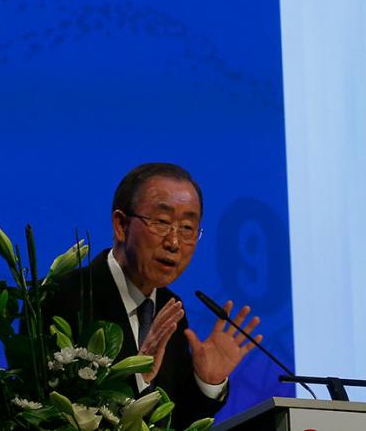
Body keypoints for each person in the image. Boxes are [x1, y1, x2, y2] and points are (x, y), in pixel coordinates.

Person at [46, 163, 263, 429]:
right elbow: (54, 409)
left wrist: (207, 382)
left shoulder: (171, 311)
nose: (174, 242)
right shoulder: (65, 297)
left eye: (187, 228)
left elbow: (177, 422)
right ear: (121, 225)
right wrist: (136, 377)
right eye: (161, 222)